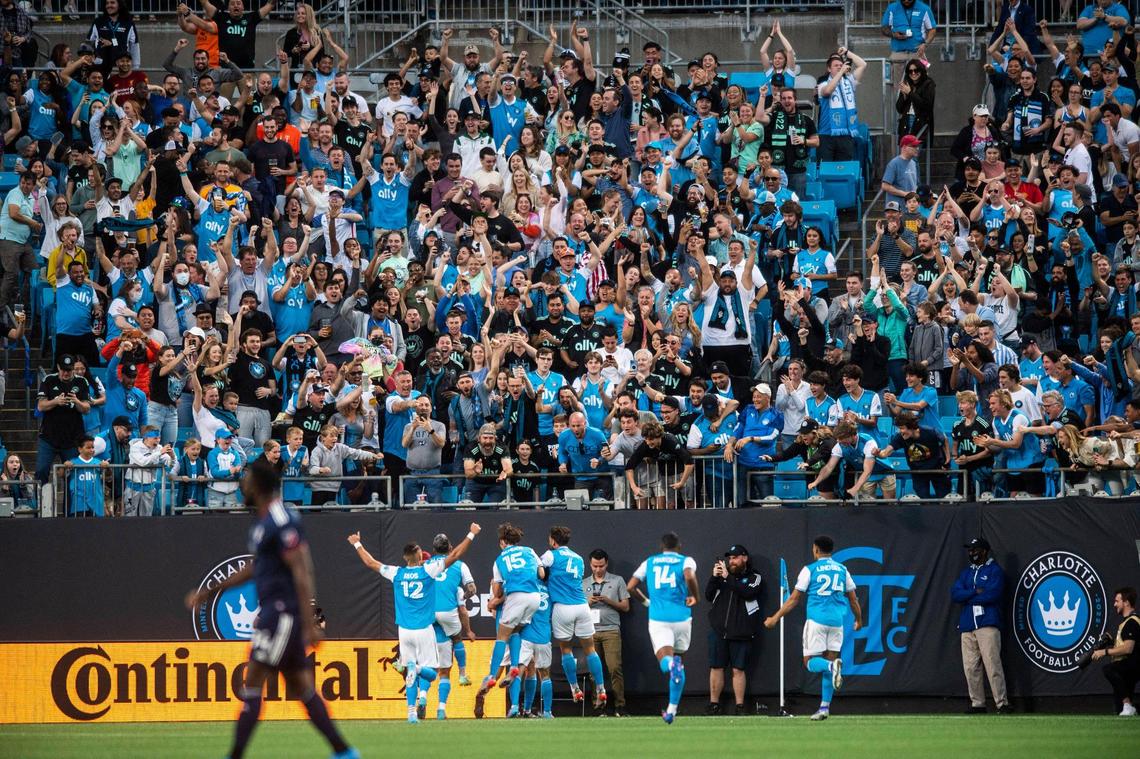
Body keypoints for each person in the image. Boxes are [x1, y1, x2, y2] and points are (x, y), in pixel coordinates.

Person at [183, 460, 359, 759]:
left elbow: (301, 568)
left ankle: (235, 755)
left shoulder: (281, 519)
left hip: (281, 615)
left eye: (247, 479)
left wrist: (309, 622)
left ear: (259, 485)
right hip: (278, 615)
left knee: (253, 683)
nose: (243, 485)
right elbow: (256, 567)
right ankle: (344, 752)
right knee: (302, 689)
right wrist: (209, 591)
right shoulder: (263, 523)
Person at [347, 522, 480, 723]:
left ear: (404, 558)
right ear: (419, 556)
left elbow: (370, 563)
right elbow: (454, 555)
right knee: (432, 673)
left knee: (410, 671)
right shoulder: (428, 571)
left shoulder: (396, 573)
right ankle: (417, 670)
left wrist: (357, 544)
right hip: (424, 630)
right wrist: (471, 534)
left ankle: (411, 713)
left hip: (404, 632)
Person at [764, 535, 863, 721]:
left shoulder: (810, 569)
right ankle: (824, 707)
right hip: (837, 623)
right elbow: (853, 599)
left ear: (816, 549)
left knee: (810, 662)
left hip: (817, 620)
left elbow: (794, 599)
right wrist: (859, 620)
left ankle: (832, 667)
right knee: (829, 665)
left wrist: (775, 618)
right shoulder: (842, 569)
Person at [627, 531, 699, 725]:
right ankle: (671, 711)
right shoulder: (686, 560)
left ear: (662, 547)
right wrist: (696, 596)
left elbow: (630, 587)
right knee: (679, 664)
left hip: (659, 619)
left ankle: (670, 666)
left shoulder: (649, 562)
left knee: (667, 662)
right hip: (682, 618)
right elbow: (689, 576)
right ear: (679, 546)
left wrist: (646, 602)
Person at [474, 523, 542, 718]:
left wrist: (496, 598)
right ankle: (492, 697)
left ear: (503, 542)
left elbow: (496, 598)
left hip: (513, 607)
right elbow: (541, 574)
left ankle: (510, 703)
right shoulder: (529, 551)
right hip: (533, 599)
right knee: (518, 656)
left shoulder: (500, 562)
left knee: (503, 656)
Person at [540, 526, 607, 710]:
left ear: (553, 541)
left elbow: (539, 571)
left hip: (563, 607)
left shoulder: (550, 555)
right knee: (590, 650)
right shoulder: (578, 558)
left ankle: (574, 688)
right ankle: (601, 688)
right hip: (582, 606)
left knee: (566, 650)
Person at [951, 537, 1011, 714]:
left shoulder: (994, 570)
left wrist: (968, 597)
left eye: (975, 550)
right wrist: (974, 592)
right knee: (970, 667)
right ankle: (978, 704)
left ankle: (1002, 703)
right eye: (970, 550)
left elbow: (992, 594)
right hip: (967, 625)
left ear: (984, 551)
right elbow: (955, 594)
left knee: (992, 664)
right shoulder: (966, 573)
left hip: (987, 623)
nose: (972, 553)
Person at [704, 544, 763, 716]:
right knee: (716, 667)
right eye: (730, 558)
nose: (732, 561)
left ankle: (740, 706)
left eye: (735, 557)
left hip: (741, 632)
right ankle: (714, 705)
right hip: (718, 631)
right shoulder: (722, 577)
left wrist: (728, 577)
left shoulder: (754, 577)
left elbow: (747, 593)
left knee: (738, 669)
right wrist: (714, 577)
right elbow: (708, 595)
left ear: (744, 558)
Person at [584, 548, 630, 716]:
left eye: (601, 566)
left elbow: (626, 607)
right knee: (593, 671)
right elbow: (576, 610)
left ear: (607, 564)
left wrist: (609, 601)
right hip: (590, 632)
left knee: (614, 668)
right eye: (595, 566)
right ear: (590, 564)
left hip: (611, 631)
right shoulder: (583, 583)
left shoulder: (617, 580)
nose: (598, 569)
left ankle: (620, 706)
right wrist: (588, 603)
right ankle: (598, 707)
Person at [1091, 586, 1140, 716]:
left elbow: (1128, 648)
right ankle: (1130, 706)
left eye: (1117, 601)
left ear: (1126, 602)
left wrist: (1105, 652)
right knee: (1120, 710)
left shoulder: (1132, 622)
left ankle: (1127, 704)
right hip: (1129, 665)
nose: (1114, 604)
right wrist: (1112, 643)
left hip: (1134, 664)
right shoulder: (1127, 622)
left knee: (1109, 669)